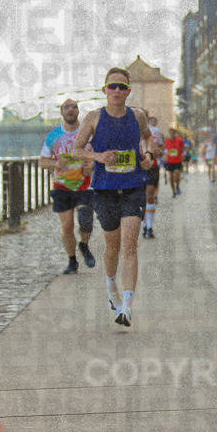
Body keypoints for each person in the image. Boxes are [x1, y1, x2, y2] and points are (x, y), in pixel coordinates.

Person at [71, 67, 152, 327]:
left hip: (133, 185)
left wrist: (149, 156)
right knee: (112, 247)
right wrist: (98, 157)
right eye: (112, 86)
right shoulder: (94, 118)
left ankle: (127, 307)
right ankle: (111, 289)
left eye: (122, 87)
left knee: (130, 245)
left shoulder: (137, 116)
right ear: (104, 90)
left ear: (128, 91)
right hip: (105, 188)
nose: (117, 90)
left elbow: (148, 139)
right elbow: (76, 150)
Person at [39, 98, 96, 274]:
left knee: (86, 220)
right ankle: (72, 261)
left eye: (74, 107)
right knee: (67, 227)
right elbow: (42, 161)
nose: (70, 110)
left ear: (78, 111)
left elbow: (99, 155)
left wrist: (92, 165)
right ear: (62, 112)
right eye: (67, 107)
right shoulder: (54, 136)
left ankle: (84, 245)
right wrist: (55, 165)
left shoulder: (88, 133)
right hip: (62, 186)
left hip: (85, 184)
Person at [142, 114, 162, 239]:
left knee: (149, 194)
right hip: (136, 168)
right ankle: (144, 223)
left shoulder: (155, 131)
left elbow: (160, 147)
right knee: (140, 198)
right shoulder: (130, 130)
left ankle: (149, 227)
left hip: (152, 166)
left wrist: (156, 153)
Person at [164, 128, 186, 198]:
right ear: (168, 133)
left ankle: (177, 186)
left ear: (175, 133)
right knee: (171, 178)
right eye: (170, 133)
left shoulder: (179, 140)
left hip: (178, 161)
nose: (172, 134)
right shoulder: (166, 141)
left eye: (173, 133)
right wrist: (164, 156)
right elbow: (165, 150)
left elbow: (184, 148)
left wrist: (184, 154)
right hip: (169, 161)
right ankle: (173, 191)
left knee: (177, 176)